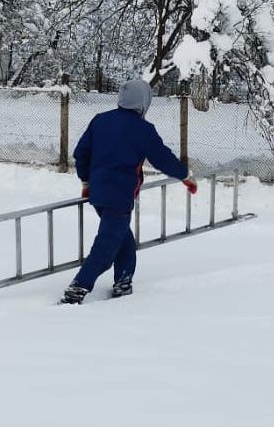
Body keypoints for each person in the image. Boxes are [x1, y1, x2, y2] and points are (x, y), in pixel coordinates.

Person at [60, 78, 197, 304]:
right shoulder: (143, 130)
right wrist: (185, 175)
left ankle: (123, 282)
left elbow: (81, 153)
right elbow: (163, 158)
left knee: (124, 240)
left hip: (99, 194)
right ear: (144, 102)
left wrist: (86, 182)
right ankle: (78, 288)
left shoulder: (100, 120)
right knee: (106, 248)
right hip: (120, 197)